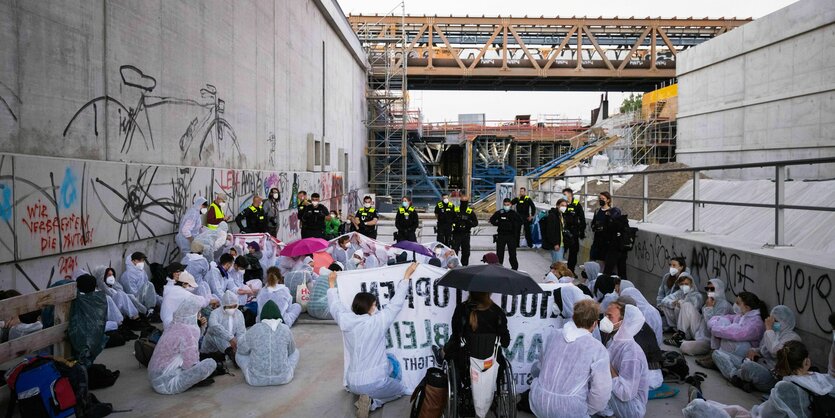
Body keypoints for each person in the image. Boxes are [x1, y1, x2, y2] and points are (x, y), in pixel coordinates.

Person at [327, 262, 418, 417]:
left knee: (388, 366)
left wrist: (331, 284)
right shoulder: (377, 321)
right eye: (375, 304)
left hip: (352, 382)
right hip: (374, 382)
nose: (377, 307)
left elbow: (335, 306)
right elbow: (395, 304)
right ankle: (373, 403)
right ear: (369, 307)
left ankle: (364, 398)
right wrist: (406, 277)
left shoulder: (346, 320)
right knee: (401, 390)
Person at [683, 341, 835, 418]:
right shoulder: (823, 380)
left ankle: (700, 406)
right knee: (736, 409)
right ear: (807, 362)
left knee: (705, 408)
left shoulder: (786, 388)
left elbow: (766, 415)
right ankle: (707, 403)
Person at [526, 299, 612, 417]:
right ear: (595, 323)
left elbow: (541, 364)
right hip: (570, 410)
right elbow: (601, 391)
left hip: (539, 400)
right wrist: (589, 410)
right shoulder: (597, 349)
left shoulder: (552, 335)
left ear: (574, 317)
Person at [724, 305, 802, 393]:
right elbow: (762, 349)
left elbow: (775, 351)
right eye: (772, 321)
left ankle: (735, 376)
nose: (772, 324)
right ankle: (740, 378)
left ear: (785, 322)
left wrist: (769, 329)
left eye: (775, 321)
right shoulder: (773, 332)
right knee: (719, 354)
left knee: (748, 367)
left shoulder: (792, 338)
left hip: (772, 375)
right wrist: (754, 351)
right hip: (759, 362)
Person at [148, 297, 216, 394]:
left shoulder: (174, 325)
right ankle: (192, 381)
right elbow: (191, 363)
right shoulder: (188, 331)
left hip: (154, 377)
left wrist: (201, 327)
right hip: (167, 383)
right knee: (210, 364)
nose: (200, 315)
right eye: (198, 312)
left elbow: (191, 342)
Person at [600, 301, 649, 418]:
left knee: (596, 385)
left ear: (623, 322)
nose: (604, 320)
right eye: (604, 315)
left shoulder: (632, 353)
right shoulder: (614, 342)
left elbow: (625, 394)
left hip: (631, 408)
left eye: (609, 316)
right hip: (619, 397)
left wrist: (605, 363)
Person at [236, 300, 299, 386]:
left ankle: (253, 372)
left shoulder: (254, 329)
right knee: (296, 352)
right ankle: (284, 371)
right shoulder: (285, 329)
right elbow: (291, 351)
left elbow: (241, 349)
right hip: (283, 378)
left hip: (255, 380)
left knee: (239, 354)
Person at [705, 291, 768, 375]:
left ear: (747, 307)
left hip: (748, 351)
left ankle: (716, 356)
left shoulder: (756, 323)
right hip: (737, 346)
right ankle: (714, 354)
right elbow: (726, 318)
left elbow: (737, 334)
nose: (735, 304)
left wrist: (716, 329)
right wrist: (714, 325)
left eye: (738, 303)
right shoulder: (743, 314)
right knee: (722, 321)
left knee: (729, 330)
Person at [680, 278, 734, 356]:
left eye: (712, 289)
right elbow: (703, 319)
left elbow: (713, 327)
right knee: (687, 305)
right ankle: (681, 334)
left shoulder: (724, 305)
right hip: (699, 332)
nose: (709, 291)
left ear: (719, 289)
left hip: (709, 341)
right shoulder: (710, 300)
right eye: (707, 288)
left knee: (684, 346)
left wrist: (709, 308)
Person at [200, 290, 246, 366]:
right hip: (211, 350)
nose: (232, 309)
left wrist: (239, 345)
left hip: (230, 346)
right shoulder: (215, 313)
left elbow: (241, 331)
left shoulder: (239, 314)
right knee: (215, 333)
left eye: (234, 306)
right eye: (229, 307)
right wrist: (230, 338)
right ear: (223, 305)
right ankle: (232, 354)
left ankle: (236, 354)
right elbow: (214, 326)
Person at [590, 191, 627, 279]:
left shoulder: (613, 212)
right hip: (597, 241)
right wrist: (595, 227)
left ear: (608, 200)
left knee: (609, 266)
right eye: (600, 199)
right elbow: (593, 223)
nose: (601, 200)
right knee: (597, 262)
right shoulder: (597, 211)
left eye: (603, 199)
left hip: (608, 243)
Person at [660, 274, 705, 346]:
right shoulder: (680, 293)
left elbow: (694, 309)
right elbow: (664, 300)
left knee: (685, 305)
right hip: (682, 324)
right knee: (667, 305)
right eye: (682, 284)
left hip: (694, 325)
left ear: (691, 284)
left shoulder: (697, 295)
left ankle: (680, 336)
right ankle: (677, 331)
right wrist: (673, 302)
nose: (684, 286)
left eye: (686, 284)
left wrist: (681, 303)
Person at [119, 252, 157, 317]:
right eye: (139, 260)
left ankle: (150, 310)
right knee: (148, 285)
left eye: (142, 261)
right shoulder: (128, 275)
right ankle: (146, 312)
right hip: (133, 300)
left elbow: (147, 287)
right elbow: (131, 292)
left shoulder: (142, 272)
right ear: (132, 261)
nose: (142, 263)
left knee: (149, 284)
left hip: (141, 298)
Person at [489, 198, 523, 270]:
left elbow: (520, 222)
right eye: (505, 205)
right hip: (501, 235)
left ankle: (514, 268)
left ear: (510, 205)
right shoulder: (499, 213)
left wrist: (513, 225)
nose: (506, 206)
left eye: (508, 205)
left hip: (511, 236)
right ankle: (499, 268)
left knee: (512, 254)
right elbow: (492, 220)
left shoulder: (514, 214)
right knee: (500, 254)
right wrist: (499, 224)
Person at [561, 188, 587, 271]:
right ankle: (559, 271)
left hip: (574, 232)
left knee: (573, 252)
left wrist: (582, 231)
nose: (563, 196)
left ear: (570, 194)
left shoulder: (576, 204)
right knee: (561, 252)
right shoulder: (562, 204)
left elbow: (582, 219)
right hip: (564, 231)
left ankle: (570, 271)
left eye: (564, 194)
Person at [450, 195, 477, 266]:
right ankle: (454, 266)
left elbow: (475, 223)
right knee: (454, 251)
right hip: (456, 234)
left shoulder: (470, 212)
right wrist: (457, 220)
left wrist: (468, 222)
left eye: (465, 202)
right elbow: (450, 220)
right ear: (460, 202)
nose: (464, 203)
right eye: (462, 202)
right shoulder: (455, 210)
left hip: (466, 234)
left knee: (466, 252)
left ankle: (464, 266)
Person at [543, 198, 568, 263]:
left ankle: (551, 273)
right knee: (558, 265)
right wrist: (555, 243)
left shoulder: (561, 215)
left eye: (565, 206)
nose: (564, 207)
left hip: (561, 244)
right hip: (557, 244)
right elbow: (550, 231)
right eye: (562, 205)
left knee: (556, 265)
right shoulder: (553, 216)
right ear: (557, 205)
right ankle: (552, 273)